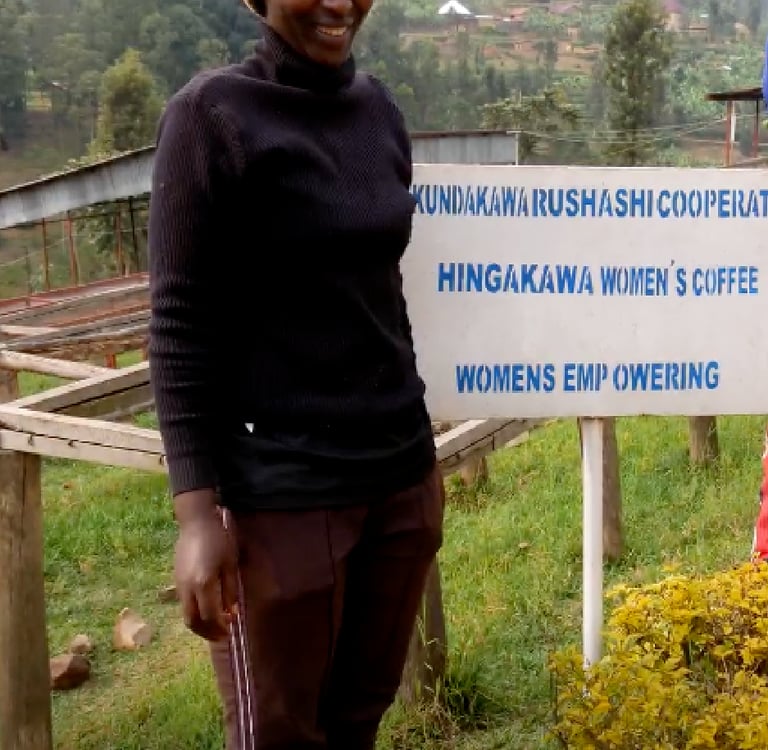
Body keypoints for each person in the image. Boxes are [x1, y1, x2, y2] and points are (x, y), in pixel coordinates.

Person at [146, 0, 445, 747]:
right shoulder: (211, 118)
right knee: (282, 734)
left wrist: (419, 473)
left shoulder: (378, 111)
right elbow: (178, 322)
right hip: (280, 498)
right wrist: (196, 516)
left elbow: (382, 287)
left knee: (358, 716)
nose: (338, 3)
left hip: (400, 482)